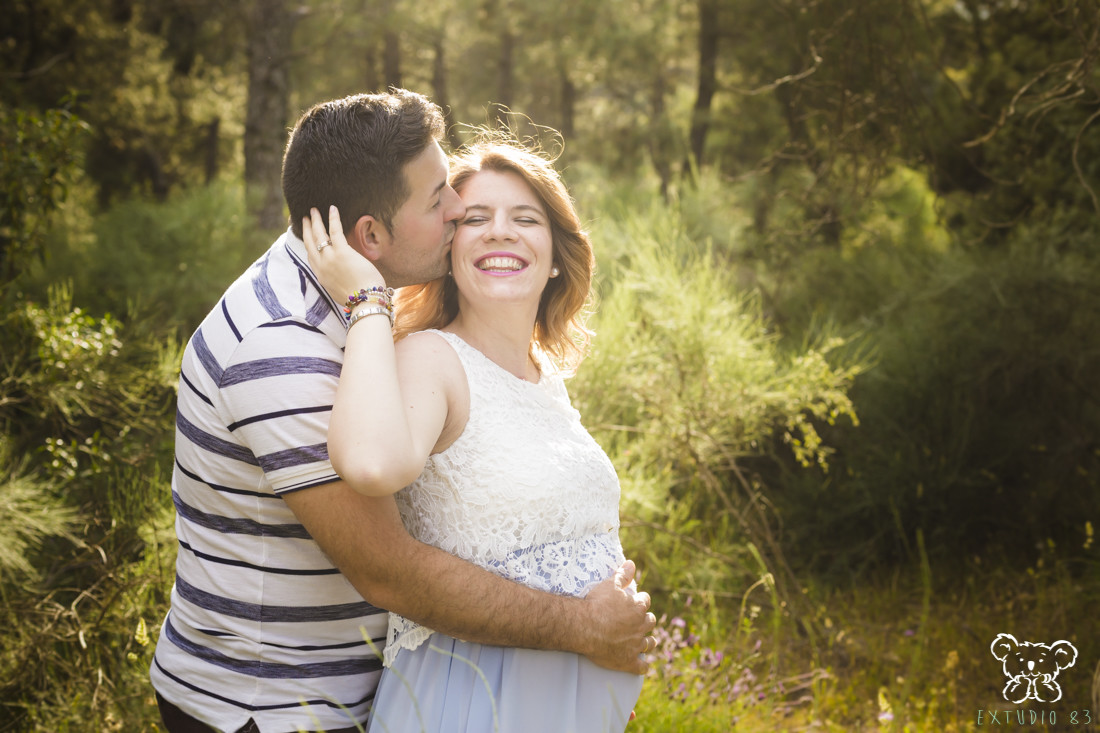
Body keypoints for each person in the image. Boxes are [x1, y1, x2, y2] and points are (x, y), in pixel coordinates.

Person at [149, 89, 655, 733]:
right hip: (273, 704)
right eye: (441, 199)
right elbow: (388, 571)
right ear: (370, 236)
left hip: (372, 689)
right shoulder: (280, 348)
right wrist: (585, 628)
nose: (459, 211)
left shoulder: (373, 309)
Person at [302, 139, 645, 732]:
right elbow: (372, 464)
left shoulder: (544, 375)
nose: (500, 232)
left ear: (556, 257)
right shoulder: (432, 358)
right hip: (471, 701)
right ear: (448, 250)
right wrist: (368, 301)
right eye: (475, 219)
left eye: (525, 219)